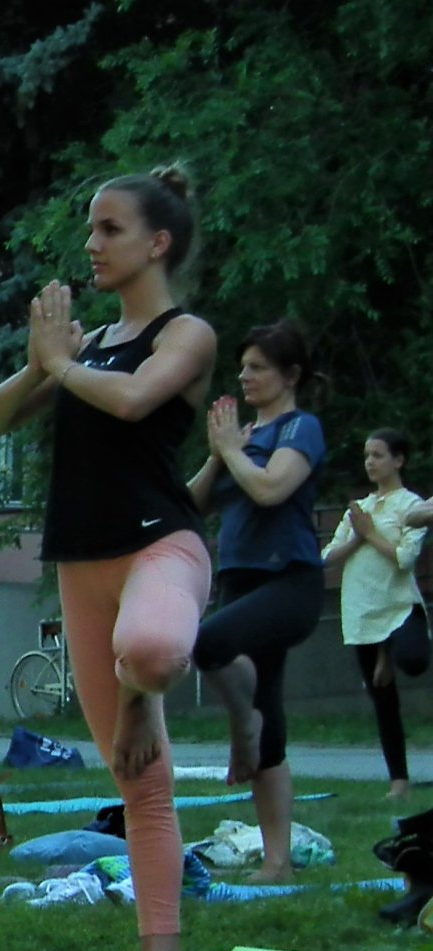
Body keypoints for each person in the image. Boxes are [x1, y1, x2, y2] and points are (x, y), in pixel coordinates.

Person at [0, 166, 216, 951]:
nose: (91, 243)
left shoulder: (187, 334)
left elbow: (138, 399)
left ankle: (143, 688)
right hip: (82, 565)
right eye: (89, 228)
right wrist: (44, 364)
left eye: (109, 229)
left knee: (148, 651)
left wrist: (64, 368)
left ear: (158, 243)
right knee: (140, 783)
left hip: (161, 547)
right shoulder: (84, 350)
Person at [188, 321, 326, 882]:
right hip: (240, 579)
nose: (245, 376)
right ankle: (278, 862)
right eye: (242, 366)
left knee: (208, 641)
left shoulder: (301, 427)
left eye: (258, 368)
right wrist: (219, 455)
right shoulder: (241, 439)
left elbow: (272, 487)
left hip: (289, 582)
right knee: (273, 727)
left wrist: (234, 452)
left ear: (289, 376)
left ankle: (241, 726)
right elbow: (191, 504)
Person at [323, 428, 425, 801]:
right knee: (383, 701)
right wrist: (357, 535)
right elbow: (327, 556)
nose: (370, 462)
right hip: (362, 614)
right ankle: (399, 781)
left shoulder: (410, 505)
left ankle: (390, 653)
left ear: (398, 460)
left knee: (413, 660)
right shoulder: (359, 509)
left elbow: (404, 558)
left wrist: (370, 533)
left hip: (399, 609)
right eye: (367, 455)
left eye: (378, 455)